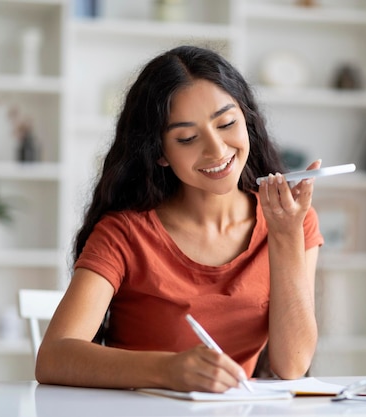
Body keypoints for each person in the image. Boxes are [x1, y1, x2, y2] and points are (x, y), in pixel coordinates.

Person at [35, 45, 324, 393]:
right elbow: (53, 357)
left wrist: (285, 236)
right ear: (160, 154)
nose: (217, 150)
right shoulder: (125, 234)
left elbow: (292, 365)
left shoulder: (291, 221)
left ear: (246, 120)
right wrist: (168, 369)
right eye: (187, 138)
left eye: (227, 123)